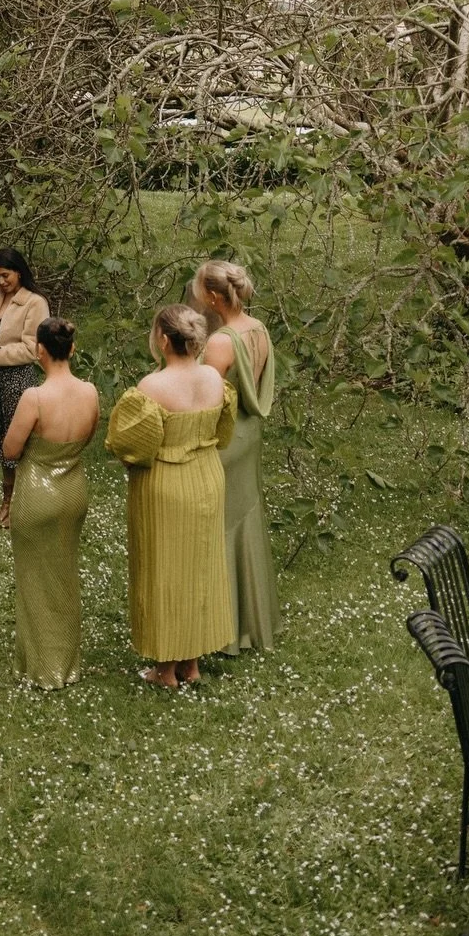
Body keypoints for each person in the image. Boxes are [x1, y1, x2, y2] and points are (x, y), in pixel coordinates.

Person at [106, 303, 237, 688]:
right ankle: (191, 664)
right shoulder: (214, 378)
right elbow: (223, 433)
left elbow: (133, 446)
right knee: (199, 568)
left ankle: (165, 671)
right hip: (207, 478)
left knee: (163, 571)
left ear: (163, 339)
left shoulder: (152, 387)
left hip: (166, 485)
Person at [2, 318, 100, 688]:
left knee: (34, 578)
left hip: (37, 492)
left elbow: (10, 450)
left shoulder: (35, 398)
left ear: (39, 351)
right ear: (72, 349)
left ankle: (43, 668)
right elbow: (88, 436)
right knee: (65, 575)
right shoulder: (90, 392)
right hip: (73, 491)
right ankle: (68, 663)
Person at [193, 258, 278, 653]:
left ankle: (223, 630)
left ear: (213, 296)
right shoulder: (259, 328)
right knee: (244, 520)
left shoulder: (220, 342)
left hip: (225, 439)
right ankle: (250, 621)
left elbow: (209, 402)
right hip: (250, 433)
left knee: (220, 526)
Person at [0, 248, 51, 528]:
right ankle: (6, 502)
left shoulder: (35, 303)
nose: (1, 281)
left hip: (17, 378)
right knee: (0, 438)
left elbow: (33, 348)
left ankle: (22, 504)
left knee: (17, 439)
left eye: (6, 275)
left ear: (20, 272)